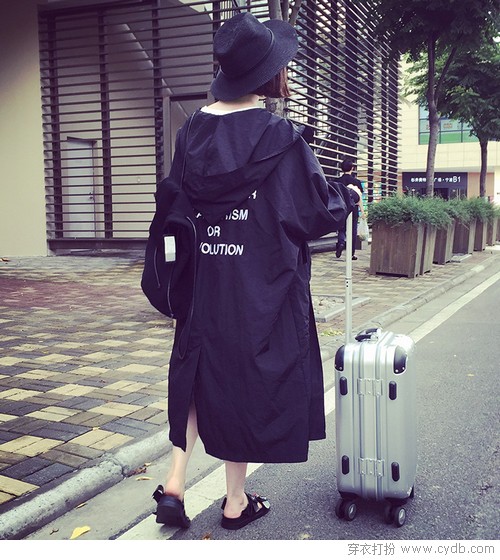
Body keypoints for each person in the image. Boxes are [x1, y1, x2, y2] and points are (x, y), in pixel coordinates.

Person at [149, 12, 347, 531]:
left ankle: (175, 482)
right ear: (268, 74)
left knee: (195, 372)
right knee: (240, 379)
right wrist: (346, 197)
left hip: (202, 280)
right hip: (259, 283)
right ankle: (235, 502)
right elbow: (314, 212)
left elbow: (176, 202)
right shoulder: (280, 136)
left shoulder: (192, 130)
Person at [335, 158, 365, 260]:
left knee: (341, 229)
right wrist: (362, 211)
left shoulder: (337, 181)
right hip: (353, 209)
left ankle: (341, 243)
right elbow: (359, 198)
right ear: (352, 168)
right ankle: (351, 253)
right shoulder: (356, 182)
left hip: (341, 208)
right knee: (352, 231)